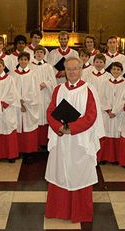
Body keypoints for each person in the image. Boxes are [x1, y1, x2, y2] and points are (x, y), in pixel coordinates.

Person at [45, 57, 104, 223]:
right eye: (69, 69)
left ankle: (80, 212)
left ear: (81, 70)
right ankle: (60, 210)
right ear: (64, 71)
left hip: (81, 140)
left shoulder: (88, 89)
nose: (72, 72)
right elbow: (50, 112)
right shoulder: (58, 89)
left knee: (79, 173)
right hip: (61, 139)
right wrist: (60, 128)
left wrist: (72, 128)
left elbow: (91, 115)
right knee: (60, 172)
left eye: (75, 69)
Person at [0, 58, 20, 161]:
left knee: (8, 129)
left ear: (3, 66)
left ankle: (10, 155)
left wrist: (3, 103)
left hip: (8, 108)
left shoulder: (10, 78)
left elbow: (13, 93)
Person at [11, 52, 41, 154]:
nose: (23, 61)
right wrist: (19, 102)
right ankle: (18, 150)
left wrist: (25, 102)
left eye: (25, 59)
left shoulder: (33, 74)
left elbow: (35, 90)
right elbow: (11, 90)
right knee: (18, 125)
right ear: (18, 60)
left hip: (29, 105)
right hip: (17, 105)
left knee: (28, 126)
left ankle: (29, 151)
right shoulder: (13, 74)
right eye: (21, 59)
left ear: (28, 61)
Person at [98, 62, 125, 163]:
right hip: (107, 114)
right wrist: (108, 110)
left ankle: (117, 158)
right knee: (106, 133)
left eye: (118, 69)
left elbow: (124, 99)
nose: (116, 71)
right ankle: (105, 157)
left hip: (119, 114)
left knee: (117, 133)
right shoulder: (105, 82)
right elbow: (101, 97)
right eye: (114, 69)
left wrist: (115, 111)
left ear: (122, 71)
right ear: (110, 70)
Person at [29, 46, 57, 148]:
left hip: (45, 94)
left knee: (45, 115)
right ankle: (34, 142)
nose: (39, 54)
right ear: (34, 54)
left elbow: (53, 81)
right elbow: (28, 80)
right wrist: (35, 86)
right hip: (34, 95)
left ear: (44, 54)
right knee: (35, 116)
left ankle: (44, 142)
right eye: (37, 52)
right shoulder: (30, 66)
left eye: (41, 52)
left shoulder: (48, 67)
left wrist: (46, 83)